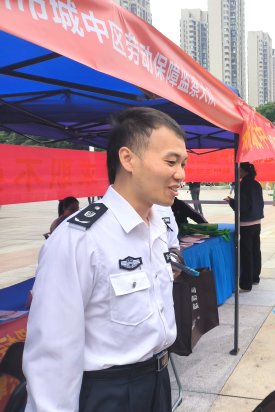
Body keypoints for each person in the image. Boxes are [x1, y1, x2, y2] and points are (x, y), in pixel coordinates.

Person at [23, 107, 188, 412]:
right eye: (171, 161)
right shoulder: (80, 238)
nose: (181, 174)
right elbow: (52, 354)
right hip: (110, 394)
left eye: (183, 163)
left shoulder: (157, 228)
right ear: (128, 159)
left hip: (158, 382)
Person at [224, 162, 264, 291]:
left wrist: (231, 201)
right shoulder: (256, 184)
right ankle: (255, 277)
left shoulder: (242, 185)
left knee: (246, 253)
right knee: (256, 250)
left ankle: (246, 283)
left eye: (239, 170)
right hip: (257, 222)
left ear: (244, 171)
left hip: (246, 223)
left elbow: (242, 206)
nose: (238, 172)